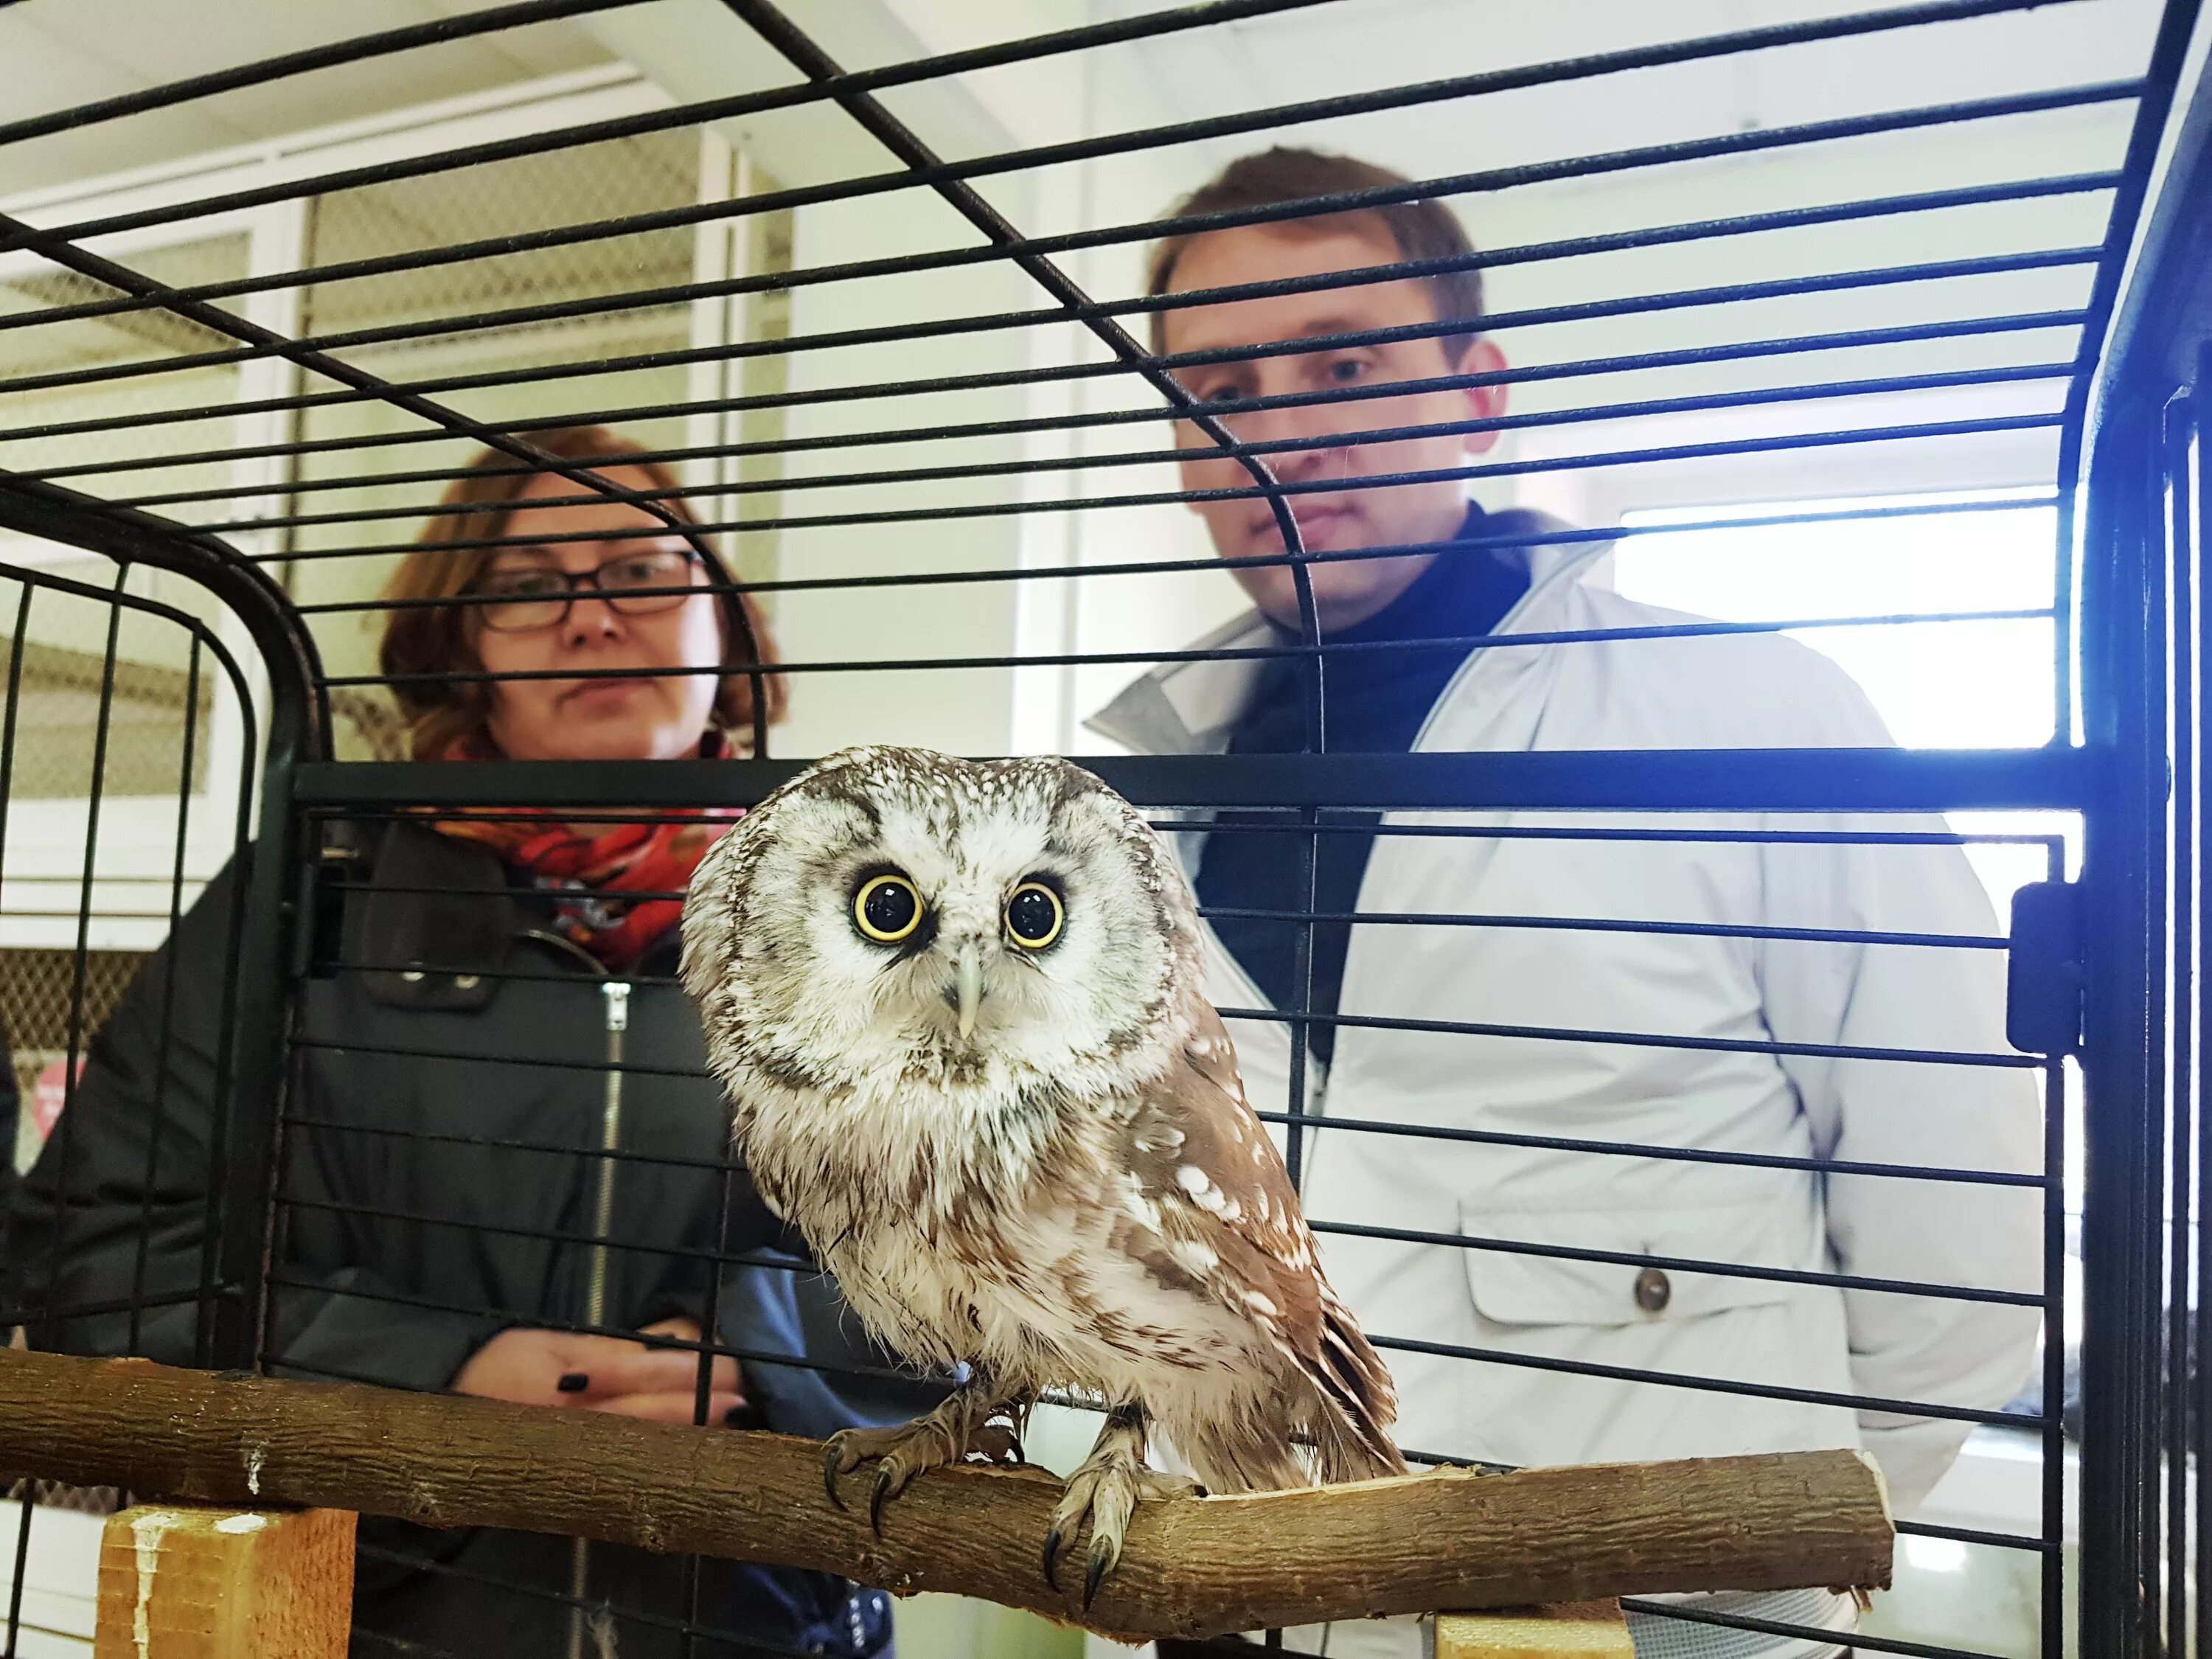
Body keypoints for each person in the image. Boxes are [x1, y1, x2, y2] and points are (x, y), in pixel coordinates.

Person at [1089, 150, 2042, 1658]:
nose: (1278, 432)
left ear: (1476, 392)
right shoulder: (1129, 802)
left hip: (1671, 1614)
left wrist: (1759, 1561)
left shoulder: (1750, 716)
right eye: (1221, 384)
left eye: (1343, 363)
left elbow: (1972, 1215)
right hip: (1246, 1589)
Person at [12, 428, 927, 1658]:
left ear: (727, 628)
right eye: (532, 586)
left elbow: (1007, 1296)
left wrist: (755, 1346)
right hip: (375, 1620)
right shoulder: (310, 899)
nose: (592, 619)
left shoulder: (888, 917)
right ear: (463, 648)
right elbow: (102, 1272)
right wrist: (449, 1370)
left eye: (642, 571)